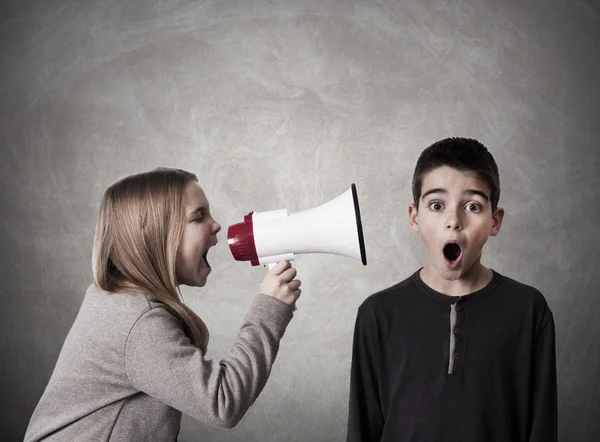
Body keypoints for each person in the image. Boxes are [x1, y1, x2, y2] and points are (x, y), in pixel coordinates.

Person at [24, 168, 301, 441]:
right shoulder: (136, 321)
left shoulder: (118, 302)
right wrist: (269, 308)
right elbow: (222, 402)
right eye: (198, 217)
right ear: (156, 235)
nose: (216, 225)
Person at [346, 137, 557, 442]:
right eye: (436, 205)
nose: (453, 222)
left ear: (495, 222)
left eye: (472, 206)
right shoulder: (376, 315)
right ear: (414, 217)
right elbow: (362, 430)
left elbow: (542, 429)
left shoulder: (529, 310)